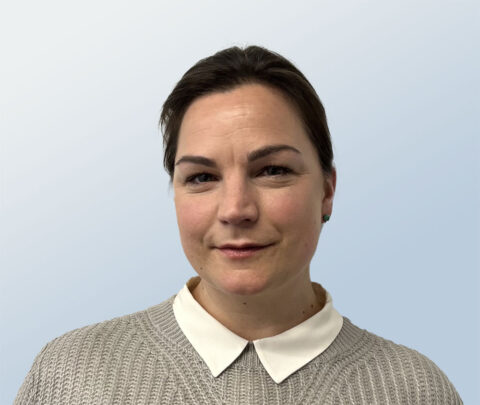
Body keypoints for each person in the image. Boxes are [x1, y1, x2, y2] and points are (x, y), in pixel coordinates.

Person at [14, 45, 462, 404]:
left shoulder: (415, 391)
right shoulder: (70, 376)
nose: (236, 209)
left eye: (272, 171)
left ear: (327, 191)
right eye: (202, 177)